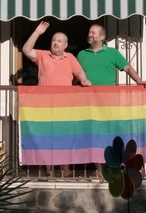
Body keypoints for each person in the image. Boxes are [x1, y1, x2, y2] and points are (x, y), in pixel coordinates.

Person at [77, 24, 146, 179]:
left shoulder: (113, 53)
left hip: (109, 103)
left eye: (93, 32)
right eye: (89, 31)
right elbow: (74, 75)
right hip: (88, 103)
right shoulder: (81, 54)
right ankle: (99, 170)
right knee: (93, 135)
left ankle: (115, 166)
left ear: (102, 37)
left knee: (111, 134)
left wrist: (139, 81)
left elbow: (128, 68)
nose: (89, 34)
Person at [22, 21, 91, 177]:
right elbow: (26, 50)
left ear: (65, 45)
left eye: (59, 41)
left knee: (64, 136)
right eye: (54, 40)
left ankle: (65, 168)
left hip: (64, 105)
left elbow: (79, 71)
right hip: (44, 104)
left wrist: (84, 80)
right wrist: (37, 33)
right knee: (47, 136)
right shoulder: (42, 55)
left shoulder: (70, 57)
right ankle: (49, 169)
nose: (56, 43)